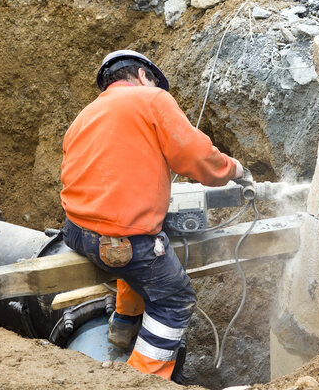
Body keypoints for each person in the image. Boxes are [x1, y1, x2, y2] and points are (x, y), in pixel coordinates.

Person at [60, 50, 245, 381]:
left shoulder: (85, 115)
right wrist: (235, 170)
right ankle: (142, 379)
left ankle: (124, 323)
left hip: (76, 231)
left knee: (139, 257)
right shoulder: (151, 98)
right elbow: (197, 158)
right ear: (144, 76)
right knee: (174, 300)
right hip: (122, 242)